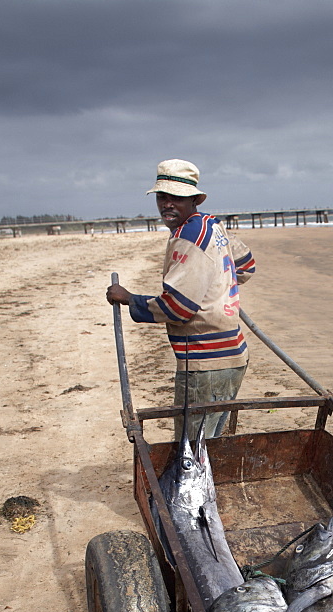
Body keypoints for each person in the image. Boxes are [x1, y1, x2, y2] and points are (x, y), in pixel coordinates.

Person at [107, 158, 255, 440]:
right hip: (234, 355)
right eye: (162, 197)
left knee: (192, 449)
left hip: (206, 362)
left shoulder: (189, 237)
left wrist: (129, 299)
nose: (167, 204)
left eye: (176, 197)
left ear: (193, 200)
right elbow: (246, 267)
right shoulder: (213, 226)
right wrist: (216, 282)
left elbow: (178, 308)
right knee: (208, 442)